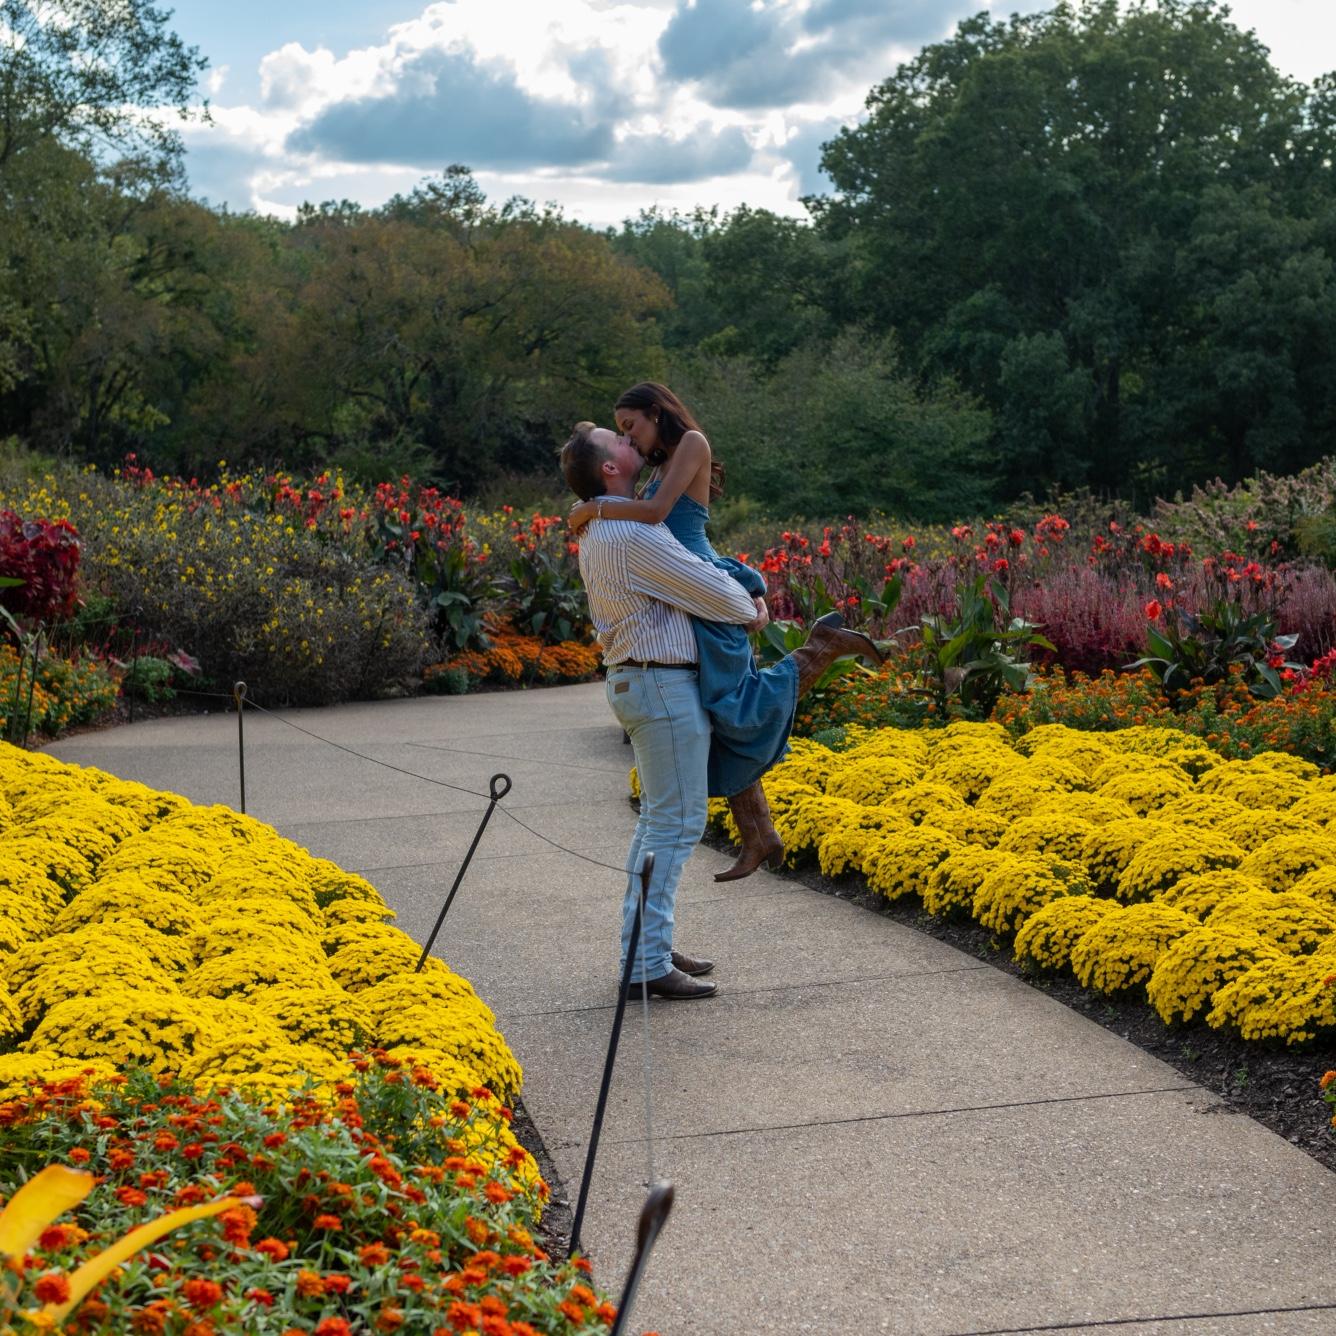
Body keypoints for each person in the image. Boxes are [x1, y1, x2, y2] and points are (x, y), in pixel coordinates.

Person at [561, 420, 881, 1001]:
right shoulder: (632, 535)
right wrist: (750, 605)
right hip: (661, 686)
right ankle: (646, 964)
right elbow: (726, 599)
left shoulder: (607, 526)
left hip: (643, 681)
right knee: (674, 825)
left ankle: (646, 945)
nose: (632, 445)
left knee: (659, 823)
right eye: (621, 442)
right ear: (610, 469)